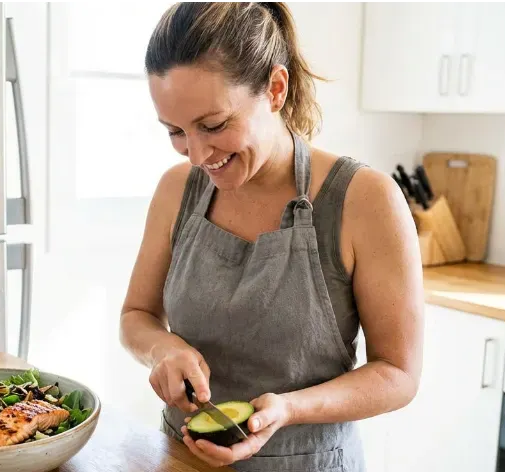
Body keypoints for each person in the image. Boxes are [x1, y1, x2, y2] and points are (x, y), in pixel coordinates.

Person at [118, 2, 424, 471]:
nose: (197, 155)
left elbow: (398, 375)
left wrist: (289, 409)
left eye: (214, 125)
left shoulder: (366, 200)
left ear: (276, 89)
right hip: (181, 460)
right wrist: (165, 348)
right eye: (175, 132)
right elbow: (136, 315)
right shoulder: (176, 189)